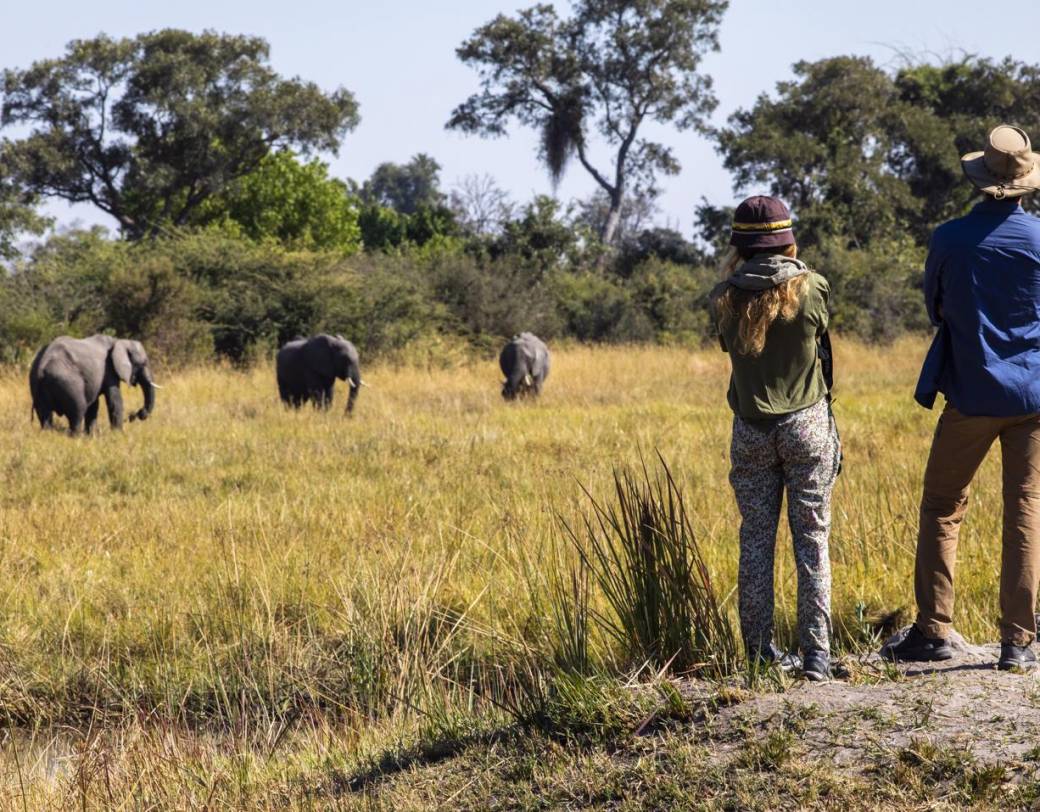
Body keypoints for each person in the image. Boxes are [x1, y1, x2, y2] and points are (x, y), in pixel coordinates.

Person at [886, 124, 1040, 671]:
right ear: (1025, 184)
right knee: (1025, 507)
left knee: (942, 505)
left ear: (980, 183)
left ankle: (934, 631)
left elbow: (936, 308)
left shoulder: (948, 239)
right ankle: (1017, 644)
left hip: (972, 394)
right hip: (1033, 396)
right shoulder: (1039, 240)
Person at [712, 196, 841, 682]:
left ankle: (759, 655)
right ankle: (817, 657)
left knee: (756, 543)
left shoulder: (723, 297)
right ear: (788, 240)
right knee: (812, 540)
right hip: (807, 426)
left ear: (740, 245)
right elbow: (820, 336)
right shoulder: (812, 288)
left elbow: (732, 345)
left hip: (750, 430)